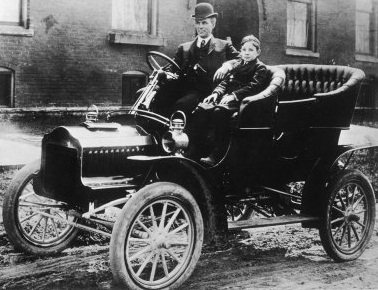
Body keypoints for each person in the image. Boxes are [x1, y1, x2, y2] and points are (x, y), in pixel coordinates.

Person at [187, 35, 269, 165]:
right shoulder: (237, 64)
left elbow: (253, 87)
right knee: (202, 108)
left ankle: (218, 153)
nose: (246, 53)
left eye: (250, 50)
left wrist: (234, 95)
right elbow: (225, 82)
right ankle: (195, 148)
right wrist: (216, 93)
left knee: (220, 112)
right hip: (226, 98)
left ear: (258, 52)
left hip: (244, 101)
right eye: (244, 50)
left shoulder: (260, 68)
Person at [169, 3, 239, 118]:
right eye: (198, 23)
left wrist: (227, 65)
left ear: (213, 23)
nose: (200, 26)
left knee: (182, 105)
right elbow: (172, 68)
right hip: (187, 91)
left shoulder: (224, 46)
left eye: (204, 23)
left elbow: (241, 58)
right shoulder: (184, 48)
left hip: (212, 93)